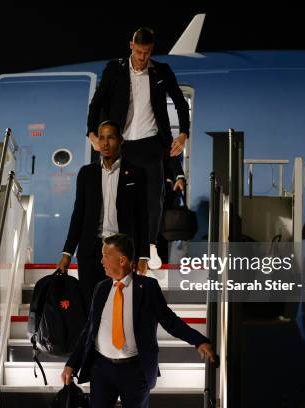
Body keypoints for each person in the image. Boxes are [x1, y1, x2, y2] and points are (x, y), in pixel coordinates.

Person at [60, 234, 217, 408]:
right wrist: (72, 364)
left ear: (122, 260)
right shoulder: (101, 288)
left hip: (135, 371)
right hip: (101, 369)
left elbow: (169, 321)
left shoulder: (148, 287)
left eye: (106, 255)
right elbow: (89, 330)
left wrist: (198, 341)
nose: (101, 260)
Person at [86, 27, 190, 270]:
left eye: (148, 53)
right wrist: (92, 132)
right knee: (116, 197)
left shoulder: (161, 71)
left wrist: (184, 133)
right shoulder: (115, 70)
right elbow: (97, 102)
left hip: (151, 143)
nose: (143, 57)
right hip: (121, 144)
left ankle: (150, 246)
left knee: (153, 197)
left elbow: (179, 103)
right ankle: (116, 246)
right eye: (140, 52)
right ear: (131, 45)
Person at [57, 120, 150, 305]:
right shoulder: (86, 173)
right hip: (90, 251)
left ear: (121, 140)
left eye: (111, 138)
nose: (106, 143)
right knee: (90, 305)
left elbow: (142, 217)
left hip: (121, 250)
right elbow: (78, 215)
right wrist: (67, 252)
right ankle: (91, 335)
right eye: (102, 138)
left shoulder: (137, 173)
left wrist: (142, 255)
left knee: (120, 305)